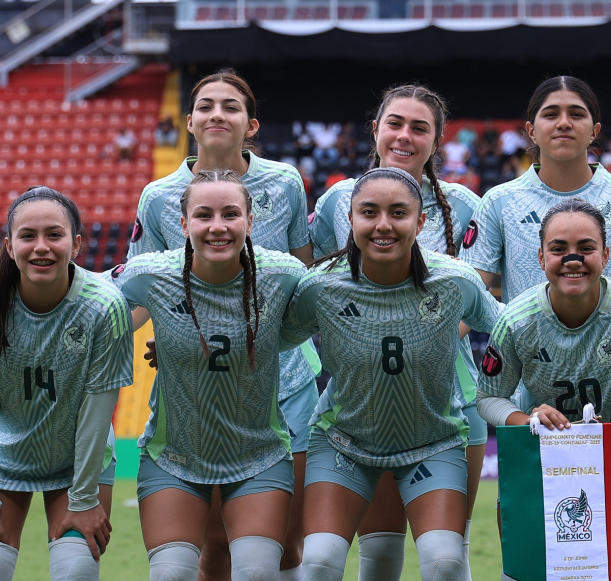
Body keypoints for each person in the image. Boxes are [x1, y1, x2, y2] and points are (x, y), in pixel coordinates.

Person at [461, 76, 611, 564]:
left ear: (596, 129)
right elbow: (469, 300)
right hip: (529, 414)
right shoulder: (500, 201)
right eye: (551, 113)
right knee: (536, 564)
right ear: (530, 129)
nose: (564, 122)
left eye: (576, 113)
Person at [127, 69, 320, 581]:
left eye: (231, 106)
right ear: (189, 122)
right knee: (213, 541)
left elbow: (305, 280)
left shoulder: (285, 183)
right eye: (206, 106)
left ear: (251, 124)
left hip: (287, 380)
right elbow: (136, 292)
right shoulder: (158, 196)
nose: (218, 114)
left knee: (288, 543)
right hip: (200, 386)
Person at [285, 167, 502, 581]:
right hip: (343, 442)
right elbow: (269, 340)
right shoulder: (319, 287)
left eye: (398, 213)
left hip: (433, 442)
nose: (383, 224)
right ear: (351, 220)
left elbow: (513, 331)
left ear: (420, 222)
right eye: (369, 212)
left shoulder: (455, 281)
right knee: (318, 562)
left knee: (445, 562)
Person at [309, 84, 484, 581]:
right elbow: (313, 287)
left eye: (419, 128)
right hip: (366, 401)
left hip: (451, 398)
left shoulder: (466, 206)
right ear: (376, 130)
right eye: (395, 123)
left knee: (450, 555)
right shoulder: (337, 200)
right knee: (381, 552)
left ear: (437, 140)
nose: (405, 136)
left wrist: (420, 334)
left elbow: (479, 292)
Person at [0, 187, 133, 581]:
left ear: (76, 244)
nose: (41, 246)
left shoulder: (105, 306)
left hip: (78, 460)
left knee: (77, 570)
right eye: (28, 236)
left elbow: (97, 415)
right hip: (2, 458)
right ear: (9, 247)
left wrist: (83, 499)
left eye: (54, 234)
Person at [475, 199, 611, 578]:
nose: (572, 259)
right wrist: (528, 419)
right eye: (559, 248)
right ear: (541, 257)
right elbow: (487, 398)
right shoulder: (515, 320)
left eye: (586, 248)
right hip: (537, 453)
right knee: (530, 572)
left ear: (606, 255)